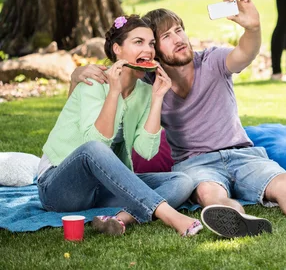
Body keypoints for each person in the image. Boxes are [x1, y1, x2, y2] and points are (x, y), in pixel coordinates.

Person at [71, 0, 286, 239]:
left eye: (179, 30)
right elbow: (115, 73)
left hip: (243, 154)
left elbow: (244, 52)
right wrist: (81, 72)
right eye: (166, 36)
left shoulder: (213, 61)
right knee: (210, 193)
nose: (178, 38)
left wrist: (253, 27)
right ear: (153, 49)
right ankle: (239, 220)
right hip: (195, 164)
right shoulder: (150, 84)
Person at [37, 15, 202, 237]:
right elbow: (94, 144)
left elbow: (147, 150)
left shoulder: (144, 91)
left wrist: (157, 99)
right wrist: (113, 92)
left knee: (182, 181)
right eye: (138, 42)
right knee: (95, 148)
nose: (149, 50)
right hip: (59, 187)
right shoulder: (93, 83)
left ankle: (120, 220)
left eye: (151, 43)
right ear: (117, 49)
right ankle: (171, 216)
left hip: (103, 187)